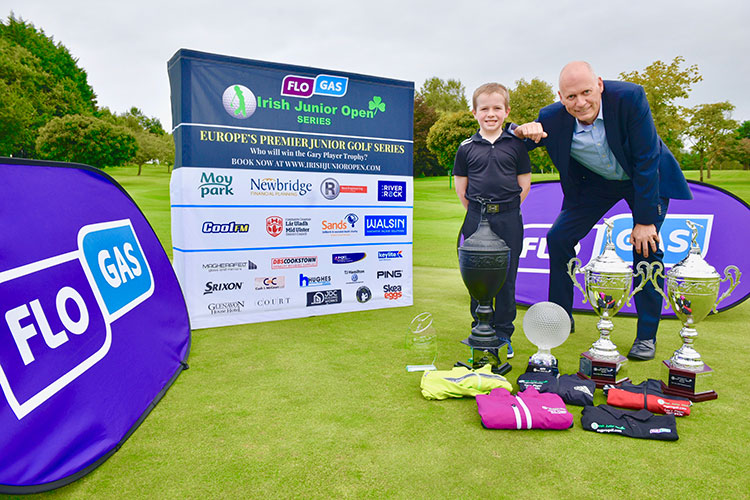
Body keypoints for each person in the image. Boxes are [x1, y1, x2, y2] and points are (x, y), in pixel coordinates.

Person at [514, 61, 692, 361]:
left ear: (599, 84)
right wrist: (519, 131)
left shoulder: (630, 98)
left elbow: (647, 159)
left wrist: (645, 220)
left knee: (645, 248)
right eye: (571, 97)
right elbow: (520, 142)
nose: (580, 102)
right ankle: (560, 317)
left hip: (644, 180)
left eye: (586, 92)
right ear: (560, 96)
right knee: (558, 238)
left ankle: (647, 335)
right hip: (596, 185)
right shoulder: (551, 117)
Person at [454, 83, 532, 359]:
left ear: (507, 111)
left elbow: (524, 185)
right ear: (474, 113)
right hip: (476, 217)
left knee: (507, 278)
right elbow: (461, 189)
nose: (491, 113)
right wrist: (482, 212)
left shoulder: (517, 145)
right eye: (484, 108)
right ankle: (480, 328)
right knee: (478, 277)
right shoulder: (465, 148)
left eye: (497, 108)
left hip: (509, 218)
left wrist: (503, 210)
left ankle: (502, 334)